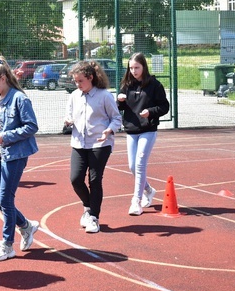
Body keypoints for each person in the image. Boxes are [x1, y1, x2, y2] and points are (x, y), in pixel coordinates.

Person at [0, 58, 40, 261]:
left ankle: (7, 244)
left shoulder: (19, 98)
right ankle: (26, 226)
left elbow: (31, 127)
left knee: (5, 199)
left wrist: (6, 136)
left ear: (2, 79)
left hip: (15, 155)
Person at [64, 61, 122, 234]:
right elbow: (68, 114)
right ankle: (88, 207)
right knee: (75, 179)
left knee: (95, 180)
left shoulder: (104, 96)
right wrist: (67, 121)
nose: (77, 84)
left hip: (100, 143)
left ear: (90, 78)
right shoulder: (74, 96)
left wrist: (109, 130)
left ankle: (94, 218)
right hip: (79, 143)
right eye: (75, 81)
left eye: (80, 81)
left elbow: (116, 118)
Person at [117, 52, 170, 216]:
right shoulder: (127, 84)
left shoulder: (154, 85)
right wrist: (118, 101)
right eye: (131, 68)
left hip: (148, 130)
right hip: (131, 130)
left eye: (137, 67)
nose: (133, 71)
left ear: (143, 67)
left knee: (140, 163)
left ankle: (136, 201)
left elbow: (164, 106)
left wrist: (151, 112)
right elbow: (120, 108)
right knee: (132, 166)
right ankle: (148, 190)